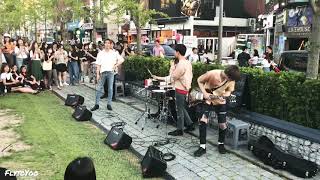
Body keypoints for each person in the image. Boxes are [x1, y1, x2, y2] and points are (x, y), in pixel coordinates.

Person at [193, 65, 240, 157]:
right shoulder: (213, 73)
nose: (230, 81)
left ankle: (221, 144)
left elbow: (229, 91)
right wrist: (205, 93)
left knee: (222, 124)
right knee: (203, 121)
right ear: (227, 74)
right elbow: (199, 80)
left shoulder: (231, 79)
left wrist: (224, 96)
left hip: (220, 101)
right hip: (208, 99)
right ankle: (202, 147)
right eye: (230, 79)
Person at [166, 44, 194, 136]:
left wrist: (171, 67)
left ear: (178, 52)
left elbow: (173, 76)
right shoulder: (187, 62)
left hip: (180, 88)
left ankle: (179, 130)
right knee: (181, 107)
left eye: (175, 51)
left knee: (179, 110)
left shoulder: (181, 64)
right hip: (185, 88)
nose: (174, 53)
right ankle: (190, 124)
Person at [91, 39, 124, 111]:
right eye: (105, 43)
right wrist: (97, 74)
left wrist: (116, 65)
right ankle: (96, 104)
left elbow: (121, 59)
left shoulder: (114, 53)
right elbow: (98, 64)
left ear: (111, 44)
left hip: (110, 72)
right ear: (104, 44)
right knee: (99, 88)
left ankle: (109, 104)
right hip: (102, 72)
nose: (107, 44)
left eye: (108, 43)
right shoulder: (100, 53)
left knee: (110, 88)